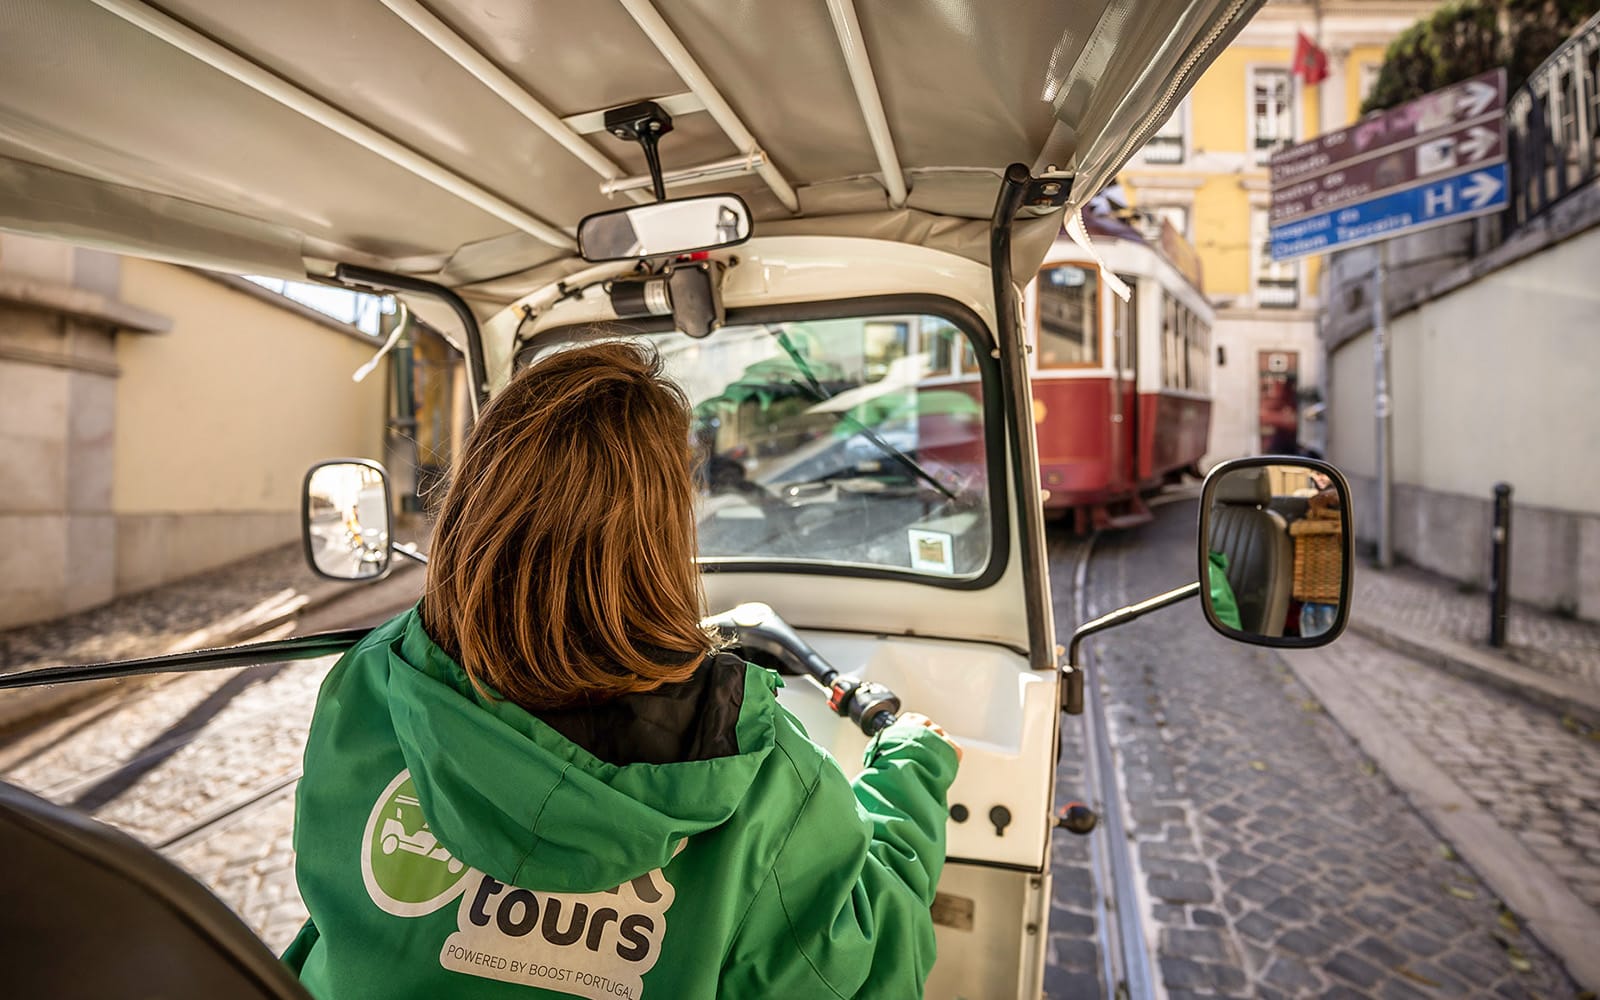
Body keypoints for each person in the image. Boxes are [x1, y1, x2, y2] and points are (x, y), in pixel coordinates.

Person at [283, 341, 962, 1000]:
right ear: (664, 538)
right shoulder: (758, 774)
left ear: (476, 502)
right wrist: (914, 766)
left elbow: (330, 904)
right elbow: (868, 965)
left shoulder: (372, 683)